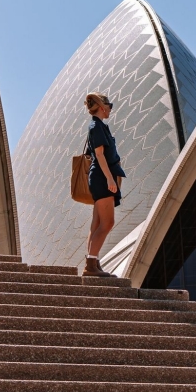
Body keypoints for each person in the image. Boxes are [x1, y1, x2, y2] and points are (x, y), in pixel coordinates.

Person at [83, 92, 126, 277]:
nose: (110, 110)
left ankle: (94, 262)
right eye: (110, 106)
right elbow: (99, 155)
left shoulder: (98, 126)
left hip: (100, 177)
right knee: (108, 222)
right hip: (102, 178)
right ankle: (91, 265)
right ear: (102, 106)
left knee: (97, 223)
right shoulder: (96, 126)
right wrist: (110, 179)